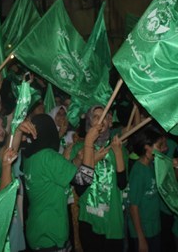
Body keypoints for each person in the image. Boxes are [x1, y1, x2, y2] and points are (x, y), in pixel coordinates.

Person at [23, 113, 99, 251]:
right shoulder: (48, 156)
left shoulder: (31, 156)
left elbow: (55, 176)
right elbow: (84, 180)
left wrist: (76, 161)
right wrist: (88, 143)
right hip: (50, 233)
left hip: (38, 230)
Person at [69, 105, 127, 251]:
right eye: (96, 117)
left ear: (110, 122)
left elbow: (122, 184)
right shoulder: (79, 149)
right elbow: (79, 188)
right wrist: (91, 159)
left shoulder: (118, 148)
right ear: (89, 121)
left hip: (112, 221)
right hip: (89, 219)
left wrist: (118, 153)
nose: (101, 120)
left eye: (105, 117)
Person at [128, 127, 167, 252]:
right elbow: (133, 207)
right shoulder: (138, 171)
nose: (162, 149)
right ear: (147, 147)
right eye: (159, 146)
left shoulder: (151, 165)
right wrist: (141, 238)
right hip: (143, 232)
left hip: (154, 228)